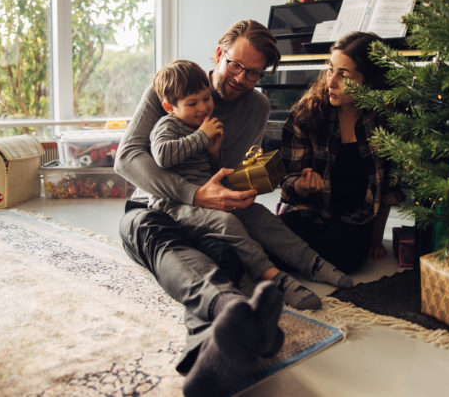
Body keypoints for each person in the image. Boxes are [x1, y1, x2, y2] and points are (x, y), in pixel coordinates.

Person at [114, 20, 349, 397]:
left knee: (226, 251)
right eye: (235, 65)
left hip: (214, 213)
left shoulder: (257, 106)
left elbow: (230, 171)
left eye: (253, 72)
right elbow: (126, 160)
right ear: (219, 53)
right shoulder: (175, 85)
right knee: (163, 242)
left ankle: (216, 345)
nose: (241, 78)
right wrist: (195, 195)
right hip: (152, 207)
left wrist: (245, 188)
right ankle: (229, 310)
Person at [148, 59, 352, 311]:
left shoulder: (201, 126)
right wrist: (202, 138)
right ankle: (276, 280)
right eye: (192, 103)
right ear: (170, 107)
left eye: (205, 99)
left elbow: (210, 172)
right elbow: (163, 155)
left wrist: (213, 154)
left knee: (258, 214)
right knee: (228, 223)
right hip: (174, 205)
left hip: (210, 195)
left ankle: (313, 263)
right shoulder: (167, 126)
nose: (203, 107)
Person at [279, 31, 405, 274]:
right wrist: (301, 186)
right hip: (309, 209)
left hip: (355, 217)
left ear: (368, 81)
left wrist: (376, 239)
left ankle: (302, 257)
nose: (331, 82)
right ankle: (303, 256)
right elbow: (287, 182)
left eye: (343, 74)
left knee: (344, 257)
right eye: (330, 69)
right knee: (283, 237)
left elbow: (388, 189)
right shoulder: (306, 113)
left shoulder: (385, 119)